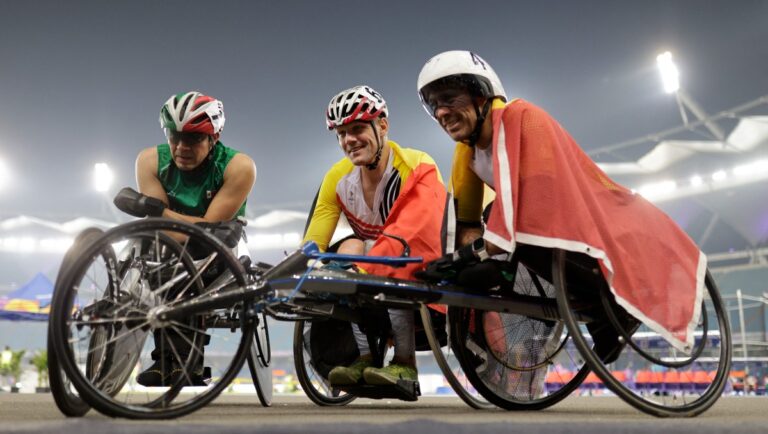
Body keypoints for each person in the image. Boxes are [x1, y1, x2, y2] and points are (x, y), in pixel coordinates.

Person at [416, 50, 706, 359]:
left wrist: (471, 255)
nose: (441, 113)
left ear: (481, 94)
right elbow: (466, 224)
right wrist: (456, 261)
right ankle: (532, 295)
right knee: (473, 263)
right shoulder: (466, 153)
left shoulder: (520, 118)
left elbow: (536, 201)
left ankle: (614, 309)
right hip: (531, 231)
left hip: (592, 214)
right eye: (433, 105)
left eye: (449, 99)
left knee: (519, 227)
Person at [303, 85, 447, 387]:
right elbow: (314, 242)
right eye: (341, 133)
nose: (348, 140)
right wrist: (306, 270)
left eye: (356, 129)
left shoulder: (416, 166)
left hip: (423, 266)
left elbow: (410, 234)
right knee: (350, 248)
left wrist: (361, 271)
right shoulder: (337, 177)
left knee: (382, 259)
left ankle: (405, 366)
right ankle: (365, 358)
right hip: (373, 269)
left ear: (382, 125)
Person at [113, 91, 256, 386]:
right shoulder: (149, 160)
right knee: (161, 257)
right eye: (174, 136)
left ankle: (182, 362)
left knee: (190, 259)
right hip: (167, 248)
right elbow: (165, 231)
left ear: (214, 138)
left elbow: (206, 230)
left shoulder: (239, 166)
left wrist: (158, 210)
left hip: (221, 250)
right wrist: (164, 218)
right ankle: (169, 361)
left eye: (193, 139)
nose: (181, 147)